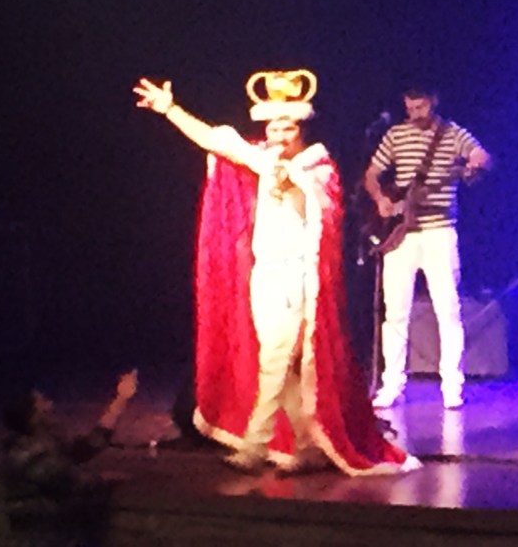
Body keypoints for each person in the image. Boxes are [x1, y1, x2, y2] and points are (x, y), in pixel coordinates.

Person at [134, 70, 417, 475]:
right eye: (273, 128)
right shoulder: (263, 158)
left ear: (301, 128)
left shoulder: (317, 166)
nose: (279, 136)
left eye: (287, 128)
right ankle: (306, 447)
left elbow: (322, 205)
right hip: (264, 277)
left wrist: (292, 182)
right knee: (287, 370)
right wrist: (170, 109)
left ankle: (255, 444)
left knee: (275, 360)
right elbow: (215, 138)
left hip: (297, 280)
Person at [364, 85, 492, 409]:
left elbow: (482, 156)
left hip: (439, 230)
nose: (414, 114)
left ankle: (452, 385)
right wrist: (380, 199)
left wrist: (475, 163)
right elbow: (372, 174)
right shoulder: (396, 134)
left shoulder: (452, 133)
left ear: (433, 102)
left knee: (447, 309)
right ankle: (392, 385)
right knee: (395, 312)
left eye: (420, 107)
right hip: (400, 234)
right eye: (409, 107)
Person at [2, 370, 137, 543]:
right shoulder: (26, 455)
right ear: (33, 418)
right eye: (43, 402)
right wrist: (106, 479)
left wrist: (121, 399)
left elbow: (90, 444)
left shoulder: (47, 444)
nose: (51, 404)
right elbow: (74, 481)